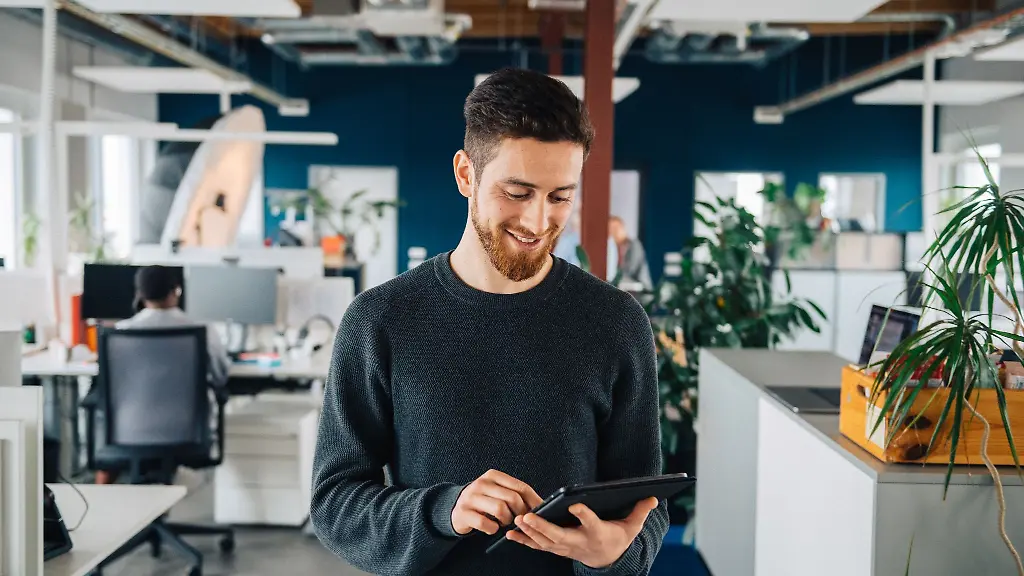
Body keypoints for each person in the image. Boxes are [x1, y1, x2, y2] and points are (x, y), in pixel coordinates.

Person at [310, 67, 668, 576]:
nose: (538, 222)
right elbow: (335, 504)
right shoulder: (380, 321)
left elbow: (644, 506)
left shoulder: (616, 322)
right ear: (466, 175)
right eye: (517, 193)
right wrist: (444, 511)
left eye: (560, 196)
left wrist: (614, 554)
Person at [116, 265, 230, 387]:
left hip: (134, 399)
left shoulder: (121, 331)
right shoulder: (204, 329)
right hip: (188, 399)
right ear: (177, 291)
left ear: (139, 294)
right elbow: (220, 376)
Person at [608, 216, 652, 291]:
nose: (613, 232)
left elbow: (630, 270)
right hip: (622, 287)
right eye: (610, 229)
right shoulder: (613, 247)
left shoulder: (634, 245)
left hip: (640, 289)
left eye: (616, 228)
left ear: (623, 229)